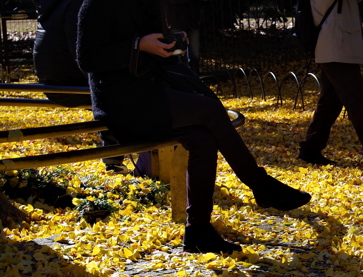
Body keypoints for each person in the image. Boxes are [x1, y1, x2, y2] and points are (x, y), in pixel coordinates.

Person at [77, 0, 311, 255]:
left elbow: (157, 57)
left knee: (203, 139)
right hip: (120, 104)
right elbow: (86, 58)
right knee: (210, 111)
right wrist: (138, 45)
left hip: (152, 92)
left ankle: (198, 231)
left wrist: (172, 46)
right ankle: (260, 184)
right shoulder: (97, 4)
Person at [297, 0, 363, 169]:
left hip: (334, 45)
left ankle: (311, 149)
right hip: (336, 46)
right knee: (358, 102)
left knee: (330, 103)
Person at [33, 0, 128, 173]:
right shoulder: (78, 5)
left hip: (52, 81)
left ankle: (116, 158)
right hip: (68, 85)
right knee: (121, 91)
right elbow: (81, 53)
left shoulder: (56, 5)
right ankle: (114, 160)